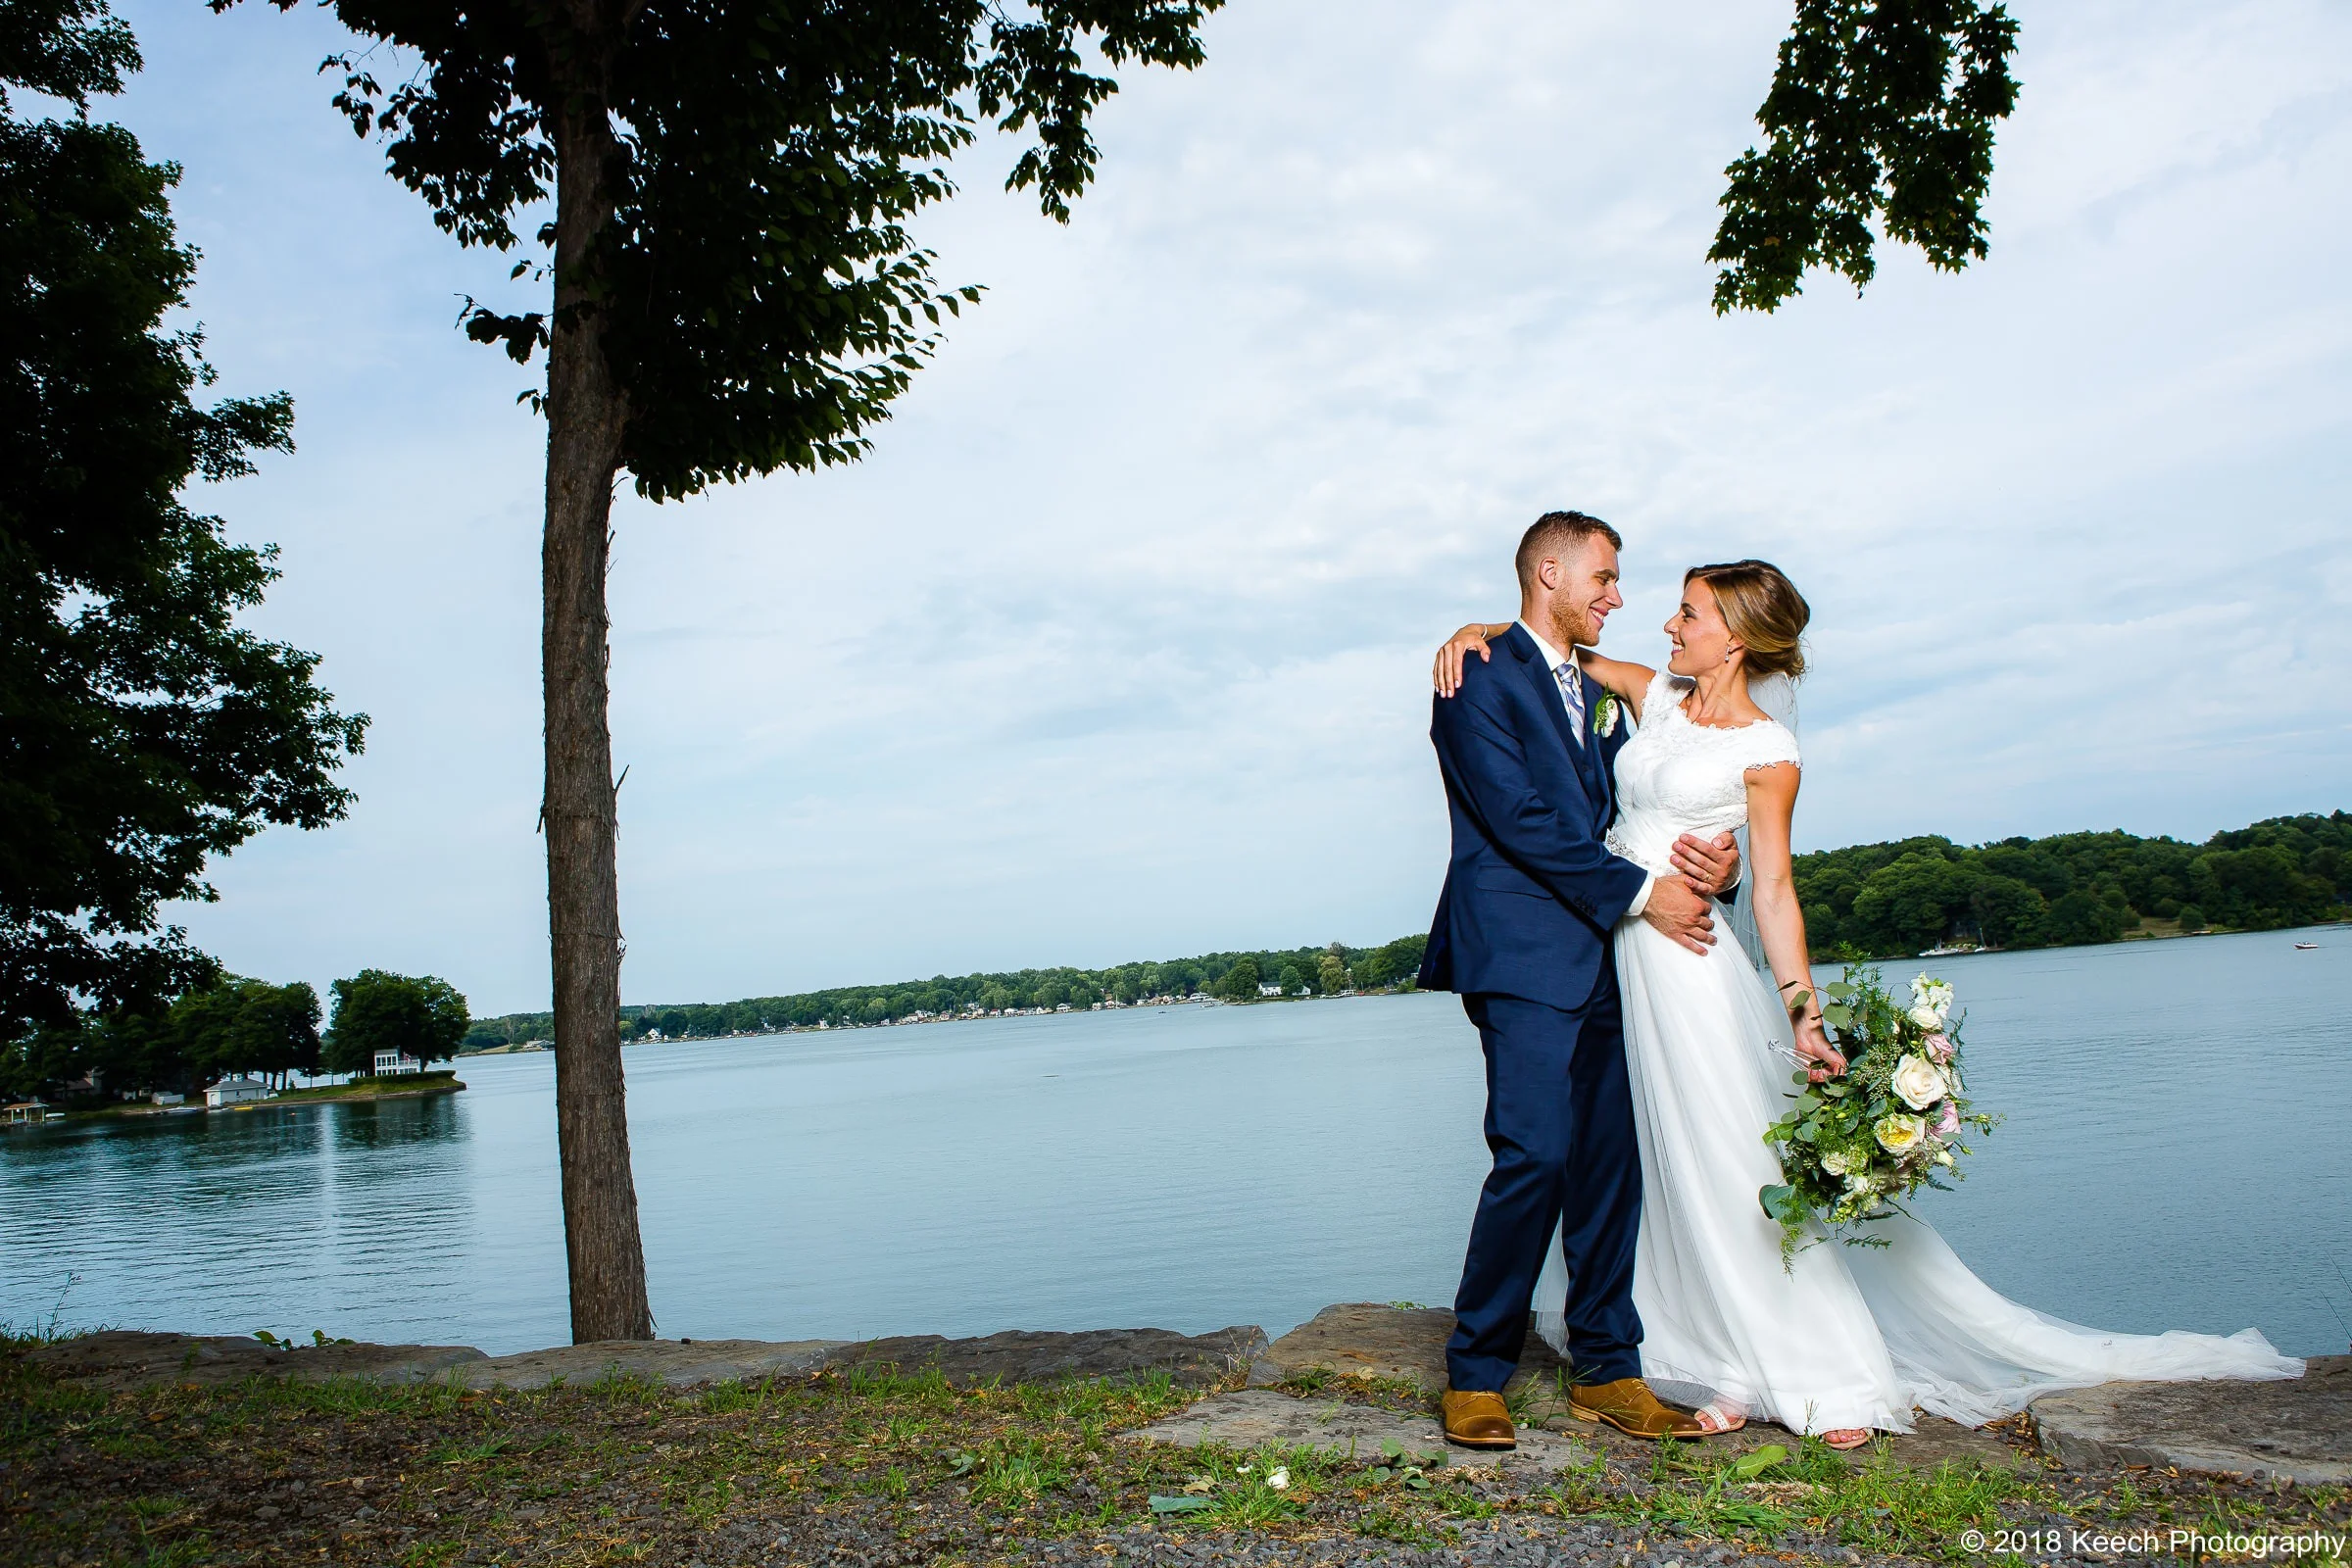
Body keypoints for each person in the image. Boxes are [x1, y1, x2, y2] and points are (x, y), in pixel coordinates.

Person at [1431, 549, 2302, 1448]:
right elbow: (1547, 648)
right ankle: (1646, 1357)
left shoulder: (1768, 752)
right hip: (1612, 952)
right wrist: (1480, 628)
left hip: (1684, 963)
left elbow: (1773, 890)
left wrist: (1803, 1011)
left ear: (1732, 638)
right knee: (1632, 1161)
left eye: (1687, 612)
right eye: (1653, 600)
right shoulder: (1651, 696)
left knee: (1718, 1160)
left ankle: (1794, 1366)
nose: (1662, 619)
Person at [1416, 511, 1746, 1451]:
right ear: (1550, 572)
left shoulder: (1600, 687)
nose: (1617, 597)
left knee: (1611, 1164)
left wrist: (1706, 867)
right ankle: (1477, 1372)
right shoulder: (1473, 675)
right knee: (1536, 1155)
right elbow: (1518, 819)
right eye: (1602, 578)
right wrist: (1646, 895)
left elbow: (1649, 796)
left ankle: (1609, 1368)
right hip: (1519, 951)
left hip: (1611, 953)